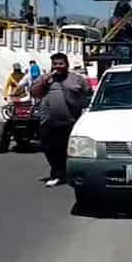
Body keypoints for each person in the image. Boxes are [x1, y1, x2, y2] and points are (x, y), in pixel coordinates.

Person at [31, 53, 92, 187]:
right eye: (55, 64)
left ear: (67, 64)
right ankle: (57, 174)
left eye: (60, 63)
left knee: (69, 150)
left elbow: (88, 95)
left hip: (70, 121)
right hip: (48, 121)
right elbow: (35, 93)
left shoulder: (77, 79)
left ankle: (69, 174)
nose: (57, 66)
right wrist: (44, 81)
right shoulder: (46, 79)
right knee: (50, 149)